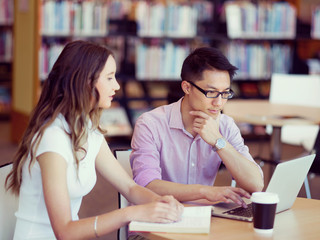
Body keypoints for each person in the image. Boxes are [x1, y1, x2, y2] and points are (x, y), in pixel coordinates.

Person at [5, 40, 183, 240]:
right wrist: (130, 213)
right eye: (109, 78)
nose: (116, 86)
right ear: (85, 81)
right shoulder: (52, 139)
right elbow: (64, 231)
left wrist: (160, 203)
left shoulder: (87, 129)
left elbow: (129, 187)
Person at [130, 47, 264, 207]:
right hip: (157, 217)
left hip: (204, 219)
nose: (219, 103)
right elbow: (148, 186)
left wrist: (219, 141)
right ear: (187, 87)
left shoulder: (225, 125)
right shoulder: (150, 124)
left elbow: (256, 184)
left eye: (225, 93)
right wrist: (204, 191)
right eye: (211, 92)